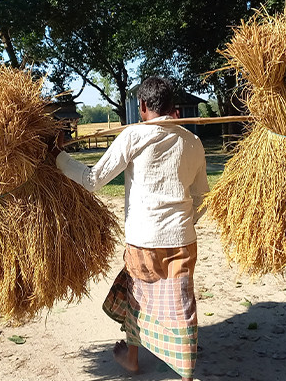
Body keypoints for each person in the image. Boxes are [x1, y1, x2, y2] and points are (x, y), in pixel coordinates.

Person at [51, 76, 208, 380]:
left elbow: (94, 180)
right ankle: (185, 367)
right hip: (183, 239)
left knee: (140, 299)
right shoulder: (193, 141)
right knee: (181, 299)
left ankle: (132, 358)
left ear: (143, 105)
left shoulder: (133, 136)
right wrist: (186, 222)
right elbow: (202, 196)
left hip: (144, 240)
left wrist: (57, 157)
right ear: (173, 107)